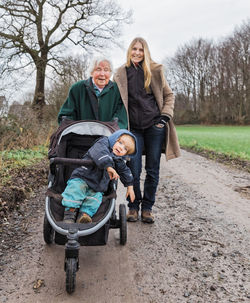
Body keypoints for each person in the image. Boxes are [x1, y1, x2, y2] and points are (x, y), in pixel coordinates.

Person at [114, 37, 181, 224]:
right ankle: (133, 207)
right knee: (133, 170)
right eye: (134, 49)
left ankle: (148, 208)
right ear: (129, 51)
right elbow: (116, 101)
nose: (137, 52)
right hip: (133, 130)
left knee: (152, 170)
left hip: (154, 127)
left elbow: (169, 95)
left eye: (140, 50)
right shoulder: (121, 73)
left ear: (145, 52)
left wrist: (164, 117)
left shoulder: (155, 71)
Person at [62, 129, 137, 224]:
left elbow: (125, 171)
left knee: (95, 198)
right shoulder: (102, 143)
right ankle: (70, 214)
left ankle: (84, 215)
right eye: (120, 143)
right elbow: (100, 153)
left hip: (98, 185)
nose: (121, 148)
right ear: (114, 139)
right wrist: (109, 167)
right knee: (75, 191)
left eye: (125, 149)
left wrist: (130, 186)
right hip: (82, 177)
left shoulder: (118, 159)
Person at [58, 57, 128, 129]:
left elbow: (121, 118)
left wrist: (111, 130)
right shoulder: (77, 88)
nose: (102, 74)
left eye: (106, 70)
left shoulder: (117, 90)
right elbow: (66, 116)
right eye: (98, 69)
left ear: (110, 73)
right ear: (91, 72)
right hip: (81, 135)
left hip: (109, 135)